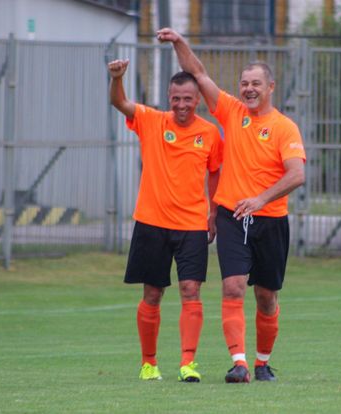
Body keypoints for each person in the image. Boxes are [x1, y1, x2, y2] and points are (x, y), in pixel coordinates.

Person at [157, 28, 306, 383]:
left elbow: (297, 174)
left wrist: (261, 199)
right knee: (233, 286)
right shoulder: (231, 111)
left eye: (256, 83)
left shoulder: (284, 128)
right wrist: (179, 42)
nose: (249, 89)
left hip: (270, 220)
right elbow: (199, 74)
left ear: (270, 87)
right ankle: (239, 363)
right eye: (244, 83)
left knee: (266, 296)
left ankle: (262, 362)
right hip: (232, 216)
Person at [107, 59, 222, 383]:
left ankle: (188, 363)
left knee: (191, 290)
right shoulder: (151, 120)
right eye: (176, 98)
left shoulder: (209, 133)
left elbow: (215, 172)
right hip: (152, 222)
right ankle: (149, 363)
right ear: (169, 98)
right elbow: (119, 102)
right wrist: (117, 78)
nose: (182, 105)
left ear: (198, 100)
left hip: (192, 225)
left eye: (187, 99)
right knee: (153, 293)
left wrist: (214, 213)